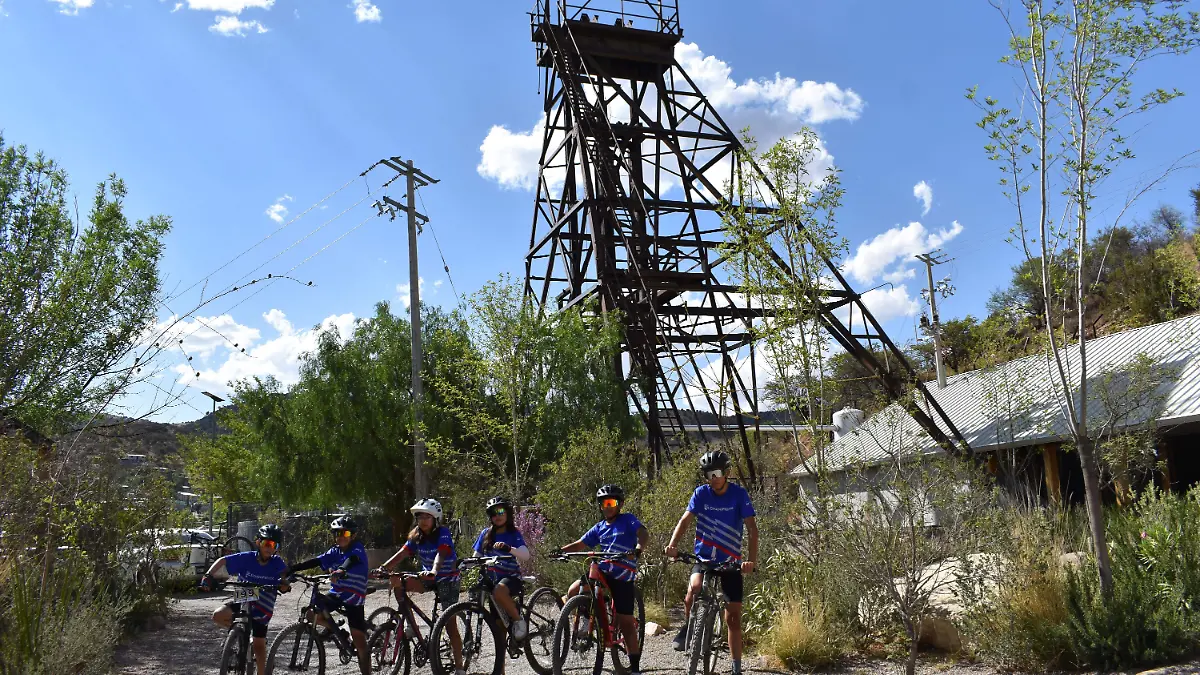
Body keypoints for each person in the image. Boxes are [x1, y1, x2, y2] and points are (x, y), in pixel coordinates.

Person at [664, 450, 758, 675]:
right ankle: (690, 628)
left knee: (732, 618)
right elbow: (685, 521)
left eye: (717, 473)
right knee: (693, 591)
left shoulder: (738, 494)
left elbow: (752, 530)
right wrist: (672, 544)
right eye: (708, 474)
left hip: (730, 562)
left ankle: (736, 668)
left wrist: (750, 561)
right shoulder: (701, 494)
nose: (713, 478)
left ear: (727, 473)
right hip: (704, 558)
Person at [559, 485, 647, 675]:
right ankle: (587, 618)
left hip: (623, 574)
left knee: (626, 623)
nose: (607, 507)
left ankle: (635, 668)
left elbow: (643, 533)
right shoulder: (599, 527)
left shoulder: (627, 519)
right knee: (573, 590)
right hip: (604, 570)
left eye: (611, 502)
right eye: (603, 503)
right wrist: (560, 551)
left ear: (620, 504)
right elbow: (580, 544)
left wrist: (638, 548)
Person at [378, 498, 466, 675]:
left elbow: (441, 553)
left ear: (435, 519)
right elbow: (403, 553)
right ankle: (412, 626)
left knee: (450, 625)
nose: (423, 521)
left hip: (448, 578)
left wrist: (434, 570)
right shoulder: (416, 535)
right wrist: (383, 568)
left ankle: (459, 667)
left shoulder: (443, 533)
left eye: (427, 517)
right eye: (420, 517)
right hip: (428, 577)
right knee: (397, 581)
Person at [284, 515, 371, 675]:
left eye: (345, 533)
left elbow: (351, 560)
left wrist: (341, 570)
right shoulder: (334, 551)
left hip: (354, 596)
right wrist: (294, 568)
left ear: (353, 535)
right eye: (337, 533)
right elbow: (317, 561)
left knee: (360, 643)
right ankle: (338, 631)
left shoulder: (357, 548)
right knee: (311, 614)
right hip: (337, 593)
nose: (340, 537)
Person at [200, 523, 290, 675]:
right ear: (258, 542)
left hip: (264, 602)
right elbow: (222, 561)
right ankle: (239, 633)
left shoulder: (277, 562)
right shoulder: (247, 558)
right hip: (246, 595)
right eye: (266, 543)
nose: (269, 548)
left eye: (274, 545)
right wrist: (208, 576)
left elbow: (285, 577)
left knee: (259, 645)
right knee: (217, 615)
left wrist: (284, 585)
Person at [472, 496, 531, 641]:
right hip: (492, 581)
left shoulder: (513, 533)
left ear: (507, 514)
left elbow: (525, 555)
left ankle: (519, 620)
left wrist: (509, 548)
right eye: (493, 513)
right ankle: (502, 655)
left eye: (500, 512)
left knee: (499, 591)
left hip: (510, 578)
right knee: (499, 628)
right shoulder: (486, 534)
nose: (497, 516)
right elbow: (476, 557)